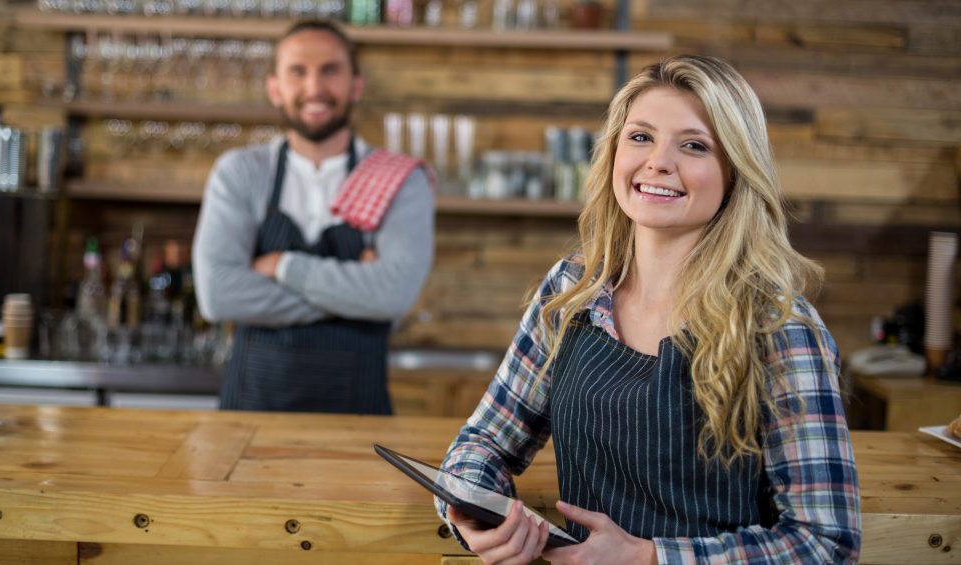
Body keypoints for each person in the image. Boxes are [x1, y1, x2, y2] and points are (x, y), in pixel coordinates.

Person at [436, 55, 861, 564]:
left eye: (694, 145)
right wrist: (471, 511)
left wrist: (649, 556)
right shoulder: (573, 289)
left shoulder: (779, 327)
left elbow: (826, 542)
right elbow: (482, 442)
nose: (658, 162)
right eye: (640, 137)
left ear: (735, 173)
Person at [193, 20, 434, 415]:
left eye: (330, 70)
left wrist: (283, 266)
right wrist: (358, 291)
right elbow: (217, 295)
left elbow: (394, 295)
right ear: (274, 87)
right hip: (248, 422)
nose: (314, 88)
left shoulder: (401, 180)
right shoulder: (240, 172)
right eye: (297, 72)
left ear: (356, 85)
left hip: (358, 423)